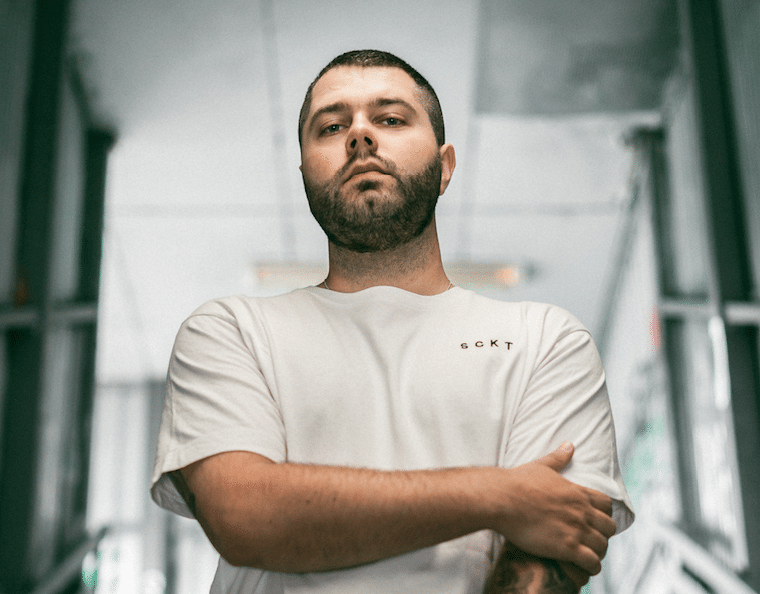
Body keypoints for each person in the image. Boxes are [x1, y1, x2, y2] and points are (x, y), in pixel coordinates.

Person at [151, 49, 634, 594]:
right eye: (332, 127)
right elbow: (245, 516)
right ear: (305, 174)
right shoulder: (230, 332)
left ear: (445, 166)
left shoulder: (546, 340)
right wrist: (499, 494)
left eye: (390, 119)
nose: (360, 135)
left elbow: (556, 545)